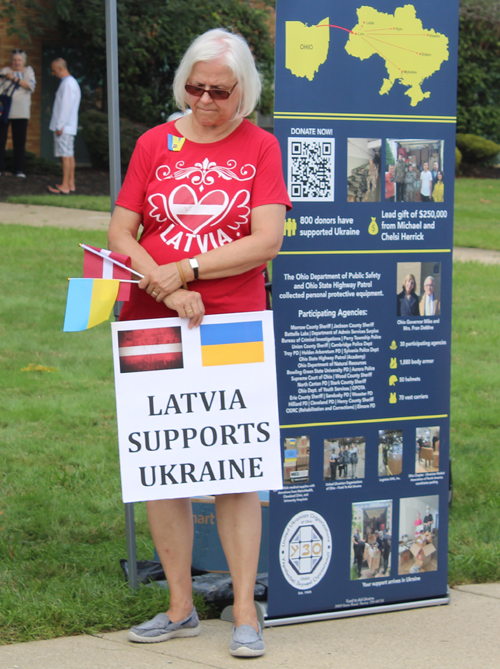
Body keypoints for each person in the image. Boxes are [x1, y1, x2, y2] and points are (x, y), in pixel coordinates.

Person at [107, 28, 290, 658]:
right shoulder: (155, 142)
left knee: (236, 468)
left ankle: (244, 610)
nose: (204, 99)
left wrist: (186, 271)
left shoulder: (261, 147)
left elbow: (266, 240)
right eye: (194, 86)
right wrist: (162, 287)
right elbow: (120, 230)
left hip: (230, 322)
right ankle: (179, 606)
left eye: (218, 89)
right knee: (166, 464)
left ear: (245, 90)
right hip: (150, 320)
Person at [0, 49, 36, 178]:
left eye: (19, 60)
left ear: (23, 61)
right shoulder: (4, 71)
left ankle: (19, 170)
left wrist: (14, 78)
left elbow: (30, 86)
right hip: (4, 111)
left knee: (19, 142)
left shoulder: (29, 72)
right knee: (1, 140)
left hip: (21, 112)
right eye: (14, 60)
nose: (17, 62)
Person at [48, 58, 81, 194]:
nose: (53, 73)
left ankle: (65, 186)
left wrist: (59, 125)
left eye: (54, 70)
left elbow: (65, 106)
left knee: (65, 156)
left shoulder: (67, 84)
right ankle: (70, 183)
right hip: (69, 126)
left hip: (64, 127)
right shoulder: (72, 83)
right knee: (69, 155)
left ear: (61, 68)